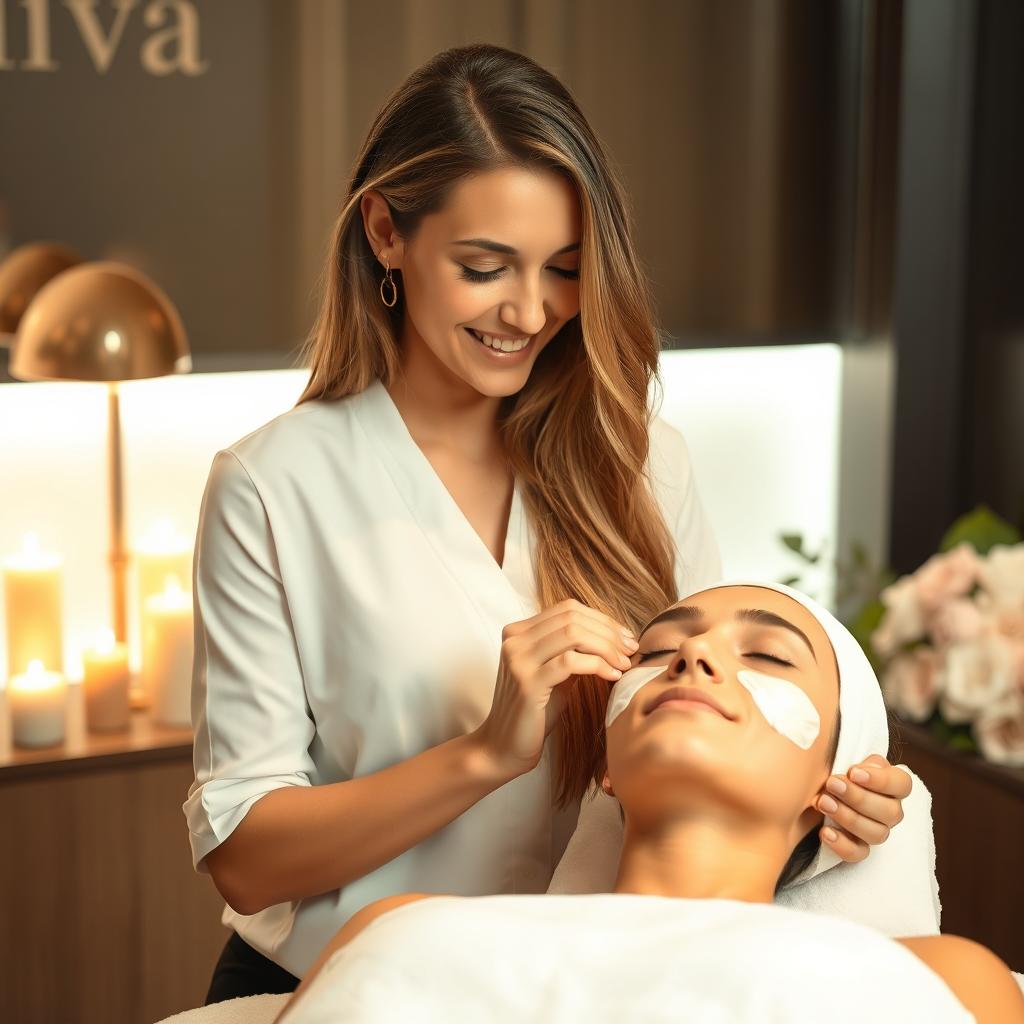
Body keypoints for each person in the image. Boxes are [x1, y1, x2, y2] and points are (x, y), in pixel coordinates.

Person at [185, 44, 911, 1002]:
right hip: (338, 992)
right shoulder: (275, 487)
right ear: (384, 232)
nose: (530, 312)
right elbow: (244, 855)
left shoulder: (641, 459)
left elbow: (712, 735)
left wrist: (828, 813)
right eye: (485, 267)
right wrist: (484, 754)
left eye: (565, 270)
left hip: (581, 990)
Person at [273, 583, 1024, 1024]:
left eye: (764, 656)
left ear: (828, 780)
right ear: (605, 767)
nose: (694, 657)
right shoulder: (401, 934)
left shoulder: (945, 982)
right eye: (659, 653)